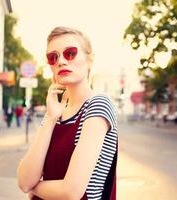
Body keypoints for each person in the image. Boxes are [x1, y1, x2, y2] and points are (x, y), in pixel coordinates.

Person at [17, 27, 118, 200]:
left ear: (90, 60)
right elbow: (24, 180)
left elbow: (71, 192)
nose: (61, 61)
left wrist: (33, 188)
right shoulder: (55, 111)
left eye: (70, 53)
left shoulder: (98, 104)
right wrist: (50, 118)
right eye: (53, 57)